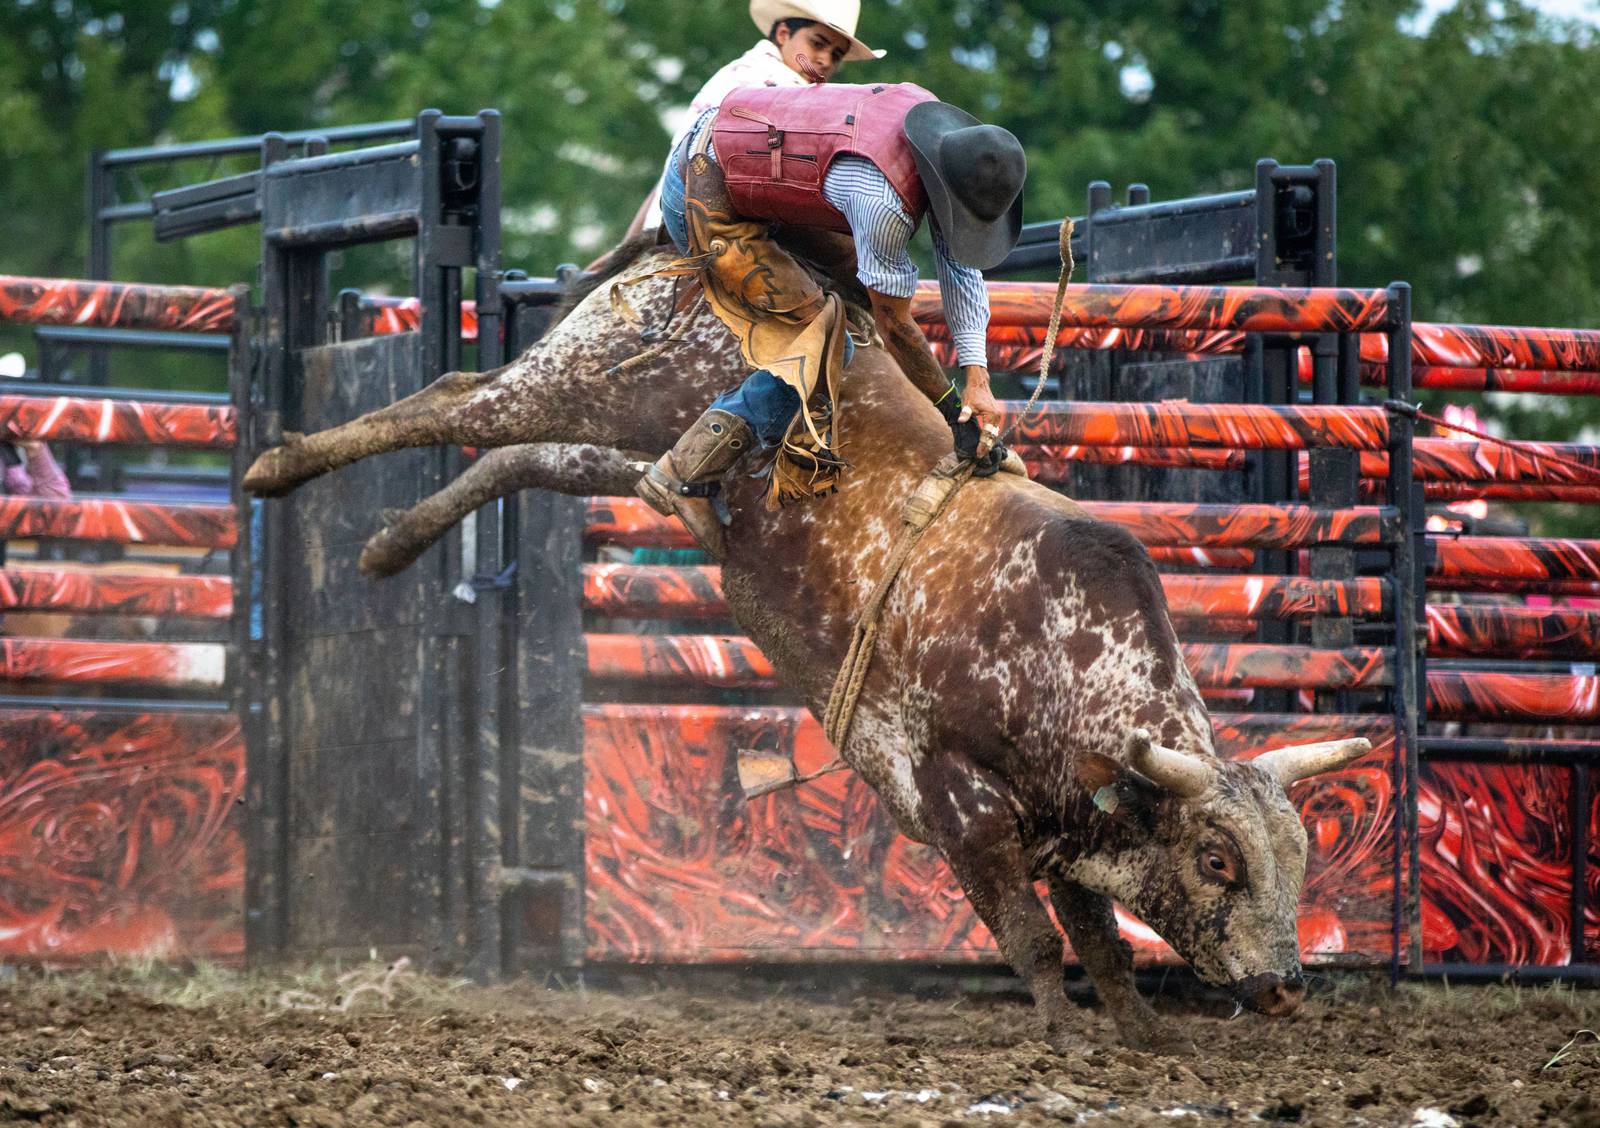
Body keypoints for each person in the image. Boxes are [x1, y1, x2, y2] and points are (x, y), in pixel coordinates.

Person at [632, 76, 1025, 548]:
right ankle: (684, 471)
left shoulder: (934, 131)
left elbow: (959, 270)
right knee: (824, 347)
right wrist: (951, 413)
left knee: (860, 294)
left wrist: (977, 380)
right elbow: (896, 326)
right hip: (706, 190)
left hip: (769, 181)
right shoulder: (883, 204)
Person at [628, 1, 883, 237]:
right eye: (817, 43)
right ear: (783, 34)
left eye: (836, 54)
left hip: (671, 218)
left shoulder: (742, 70)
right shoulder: (775, 85)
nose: (825, 60)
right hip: (704, 225)